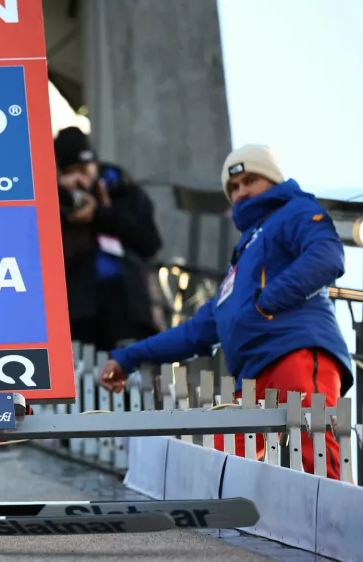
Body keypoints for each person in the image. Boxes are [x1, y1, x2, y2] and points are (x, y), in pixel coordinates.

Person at [100, 144, 355, 479]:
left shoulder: (296, 210)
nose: (241, 191)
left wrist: (265, 302)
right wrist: (128, 357)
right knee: (217, 461)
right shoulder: (243, 255)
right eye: (233, 187)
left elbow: (326, 257)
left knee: (317, 458)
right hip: (252, 377)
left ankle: (341, 529)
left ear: (273, 180)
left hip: (297, 352)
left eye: (251, 180)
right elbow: (194, 332)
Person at [53, 127, 164, 353]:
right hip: (76, 311)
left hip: (128, 307)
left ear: (96, 165)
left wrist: (102, 215)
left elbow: (150, 243)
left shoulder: (123, 190)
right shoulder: (54, 201)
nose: (80, 180)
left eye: (84, 169)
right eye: (70, 172)